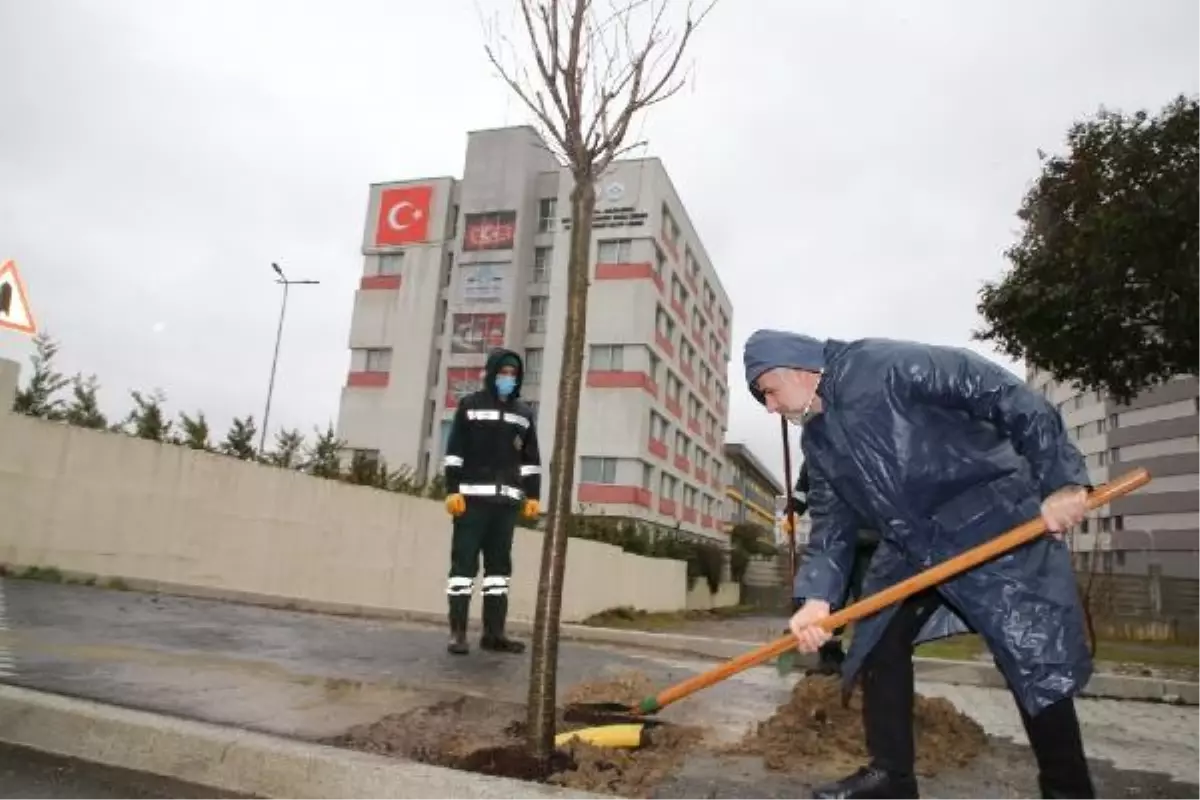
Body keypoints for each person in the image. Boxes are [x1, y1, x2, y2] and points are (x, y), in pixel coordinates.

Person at [744, 330, 1095, 800]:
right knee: (877, 638)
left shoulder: (885, 365)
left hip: (993, 520)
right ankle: (892, 776)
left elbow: (1000, 392)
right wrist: (817, 600)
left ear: (799, 368)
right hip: (915, 545)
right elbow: (832, 526)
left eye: (768, 391)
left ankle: (1068, 790)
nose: (770, 408)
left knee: (1029, 653)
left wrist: (1063, 482)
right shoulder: (820, 442)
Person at [441, 348, 541, 656]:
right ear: (491, 372)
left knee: (498, 572)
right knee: (463, 569)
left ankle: (494, 634)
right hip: (471, 505)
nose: (508, 379)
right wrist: (452, 489)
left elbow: (530, 460)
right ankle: (458, 633)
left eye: (513, 374)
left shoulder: (524, 414)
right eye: (503, 372)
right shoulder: (470, 406)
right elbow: (454, 451)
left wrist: (533, 495)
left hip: (505, 507)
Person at [786, 462, 879, 676]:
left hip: (873, 543)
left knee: (869, 600)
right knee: (829, 602)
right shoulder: (819, 451)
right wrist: (790, 513)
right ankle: (830, 658)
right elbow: (802, 490)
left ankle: (870, 660)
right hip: (837, 541)